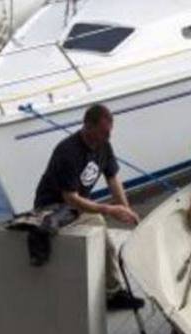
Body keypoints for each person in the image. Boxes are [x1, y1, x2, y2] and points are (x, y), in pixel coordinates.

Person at [32, 103, 143, 311]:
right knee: (100, 226)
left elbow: (113, 179)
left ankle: (112, 292)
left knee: (106, 243)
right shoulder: (68, 151)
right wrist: (109, 210)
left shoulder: (104, 145)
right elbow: (71, 198)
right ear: (87, 126)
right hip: (53, 208)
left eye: (109, 133)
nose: (107, 137)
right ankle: (109, 293)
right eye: (103, 132)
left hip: (76, 209)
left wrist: (126, 208)